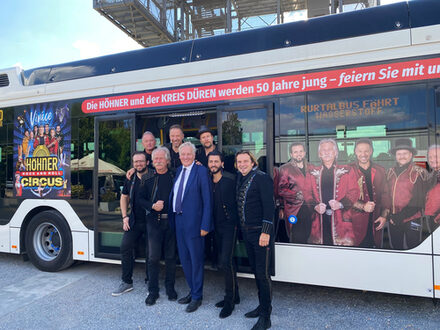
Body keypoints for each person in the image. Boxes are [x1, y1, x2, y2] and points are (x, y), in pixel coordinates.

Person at [169, 142, 212, 313]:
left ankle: (197, 296)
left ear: (194, 156)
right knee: (185, 260)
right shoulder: (179, 170)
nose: (185, 157)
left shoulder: (201, 171)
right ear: (179, 156)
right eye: (182, 154)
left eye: (188, 154)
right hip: (179, 222)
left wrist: (205, 224)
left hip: (195, 224)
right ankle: (192, 290)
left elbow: (208, 200)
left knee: (196, 260)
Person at [235, 150, 274, 330]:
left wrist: (265, 232)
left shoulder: (261, 178)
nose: (242, 164)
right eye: (239, 162)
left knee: (262, 274)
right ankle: (262, 306)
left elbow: (269, 207)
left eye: (245, 161)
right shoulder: (240, 178)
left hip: (260, 234)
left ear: (252, 162)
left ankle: (266, 317)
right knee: (256, 272)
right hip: (248, 234)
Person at [140, 147, 177, 306]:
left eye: (161, 159)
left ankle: (170, 288)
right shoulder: (147, 177)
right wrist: (152, 206)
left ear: (167, 160)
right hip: (154, 222)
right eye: (156, 159)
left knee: (170, 257)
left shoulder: (175, 175)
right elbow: (139, 199)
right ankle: (153, 291)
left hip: (172, 222)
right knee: (153, 257)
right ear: (152, 161)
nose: (159, 161)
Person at [112, 151, 149, 296]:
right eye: (136, 162)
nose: (139, 164)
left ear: (147, 162)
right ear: (133, 164)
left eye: (141, 161)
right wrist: (124, 216)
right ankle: (127, 282)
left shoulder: (153, 176)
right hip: (133, 220)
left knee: (150, 252)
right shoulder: (131, 178)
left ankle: (150, 281)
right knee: (125, 247)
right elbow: (124, 197)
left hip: (150, 221)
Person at [207, 150, 240, 319]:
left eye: (216, 161)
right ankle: (236, 295)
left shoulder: (231, 179)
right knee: (226, 261)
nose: (213, 164)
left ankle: (229, 301)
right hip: (215, 226)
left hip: (229, 226)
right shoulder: (207, 179)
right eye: (210, 161)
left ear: (222, 164)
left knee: (225, 262)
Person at [309, 139, 359, 246]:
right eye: (323, 150)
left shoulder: (347, 170)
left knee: (343, 255)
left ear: (336, 152)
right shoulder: (312, 173)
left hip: (341, 219)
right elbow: (307, 193)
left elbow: (354, 191)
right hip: (319, 221)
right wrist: (315, 206)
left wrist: (341, 204)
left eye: (330, 149)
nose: (326, 152)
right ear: (319, 154)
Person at [386, 138, 427, 250]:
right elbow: (386, 195)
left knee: (413, 248)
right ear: (395, 155)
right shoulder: (390, 172)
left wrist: (401, 216)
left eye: (405, 153)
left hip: (412, 219)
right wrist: (390, 215)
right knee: (396, 248)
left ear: (411, 155)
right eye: (399, 154)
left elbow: (419, 200)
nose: (402, 156)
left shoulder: (418, 172)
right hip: (393, 219)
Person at [349, 139, 390, 247]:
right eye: (360, 151)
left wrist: (384, 216)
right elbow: (344, 197)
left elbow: (386, 195)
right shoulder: (348, 170)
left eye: (366, 151)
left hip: (376, 221)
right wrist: (363, 206)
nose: (363, 154)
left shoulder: (380, 170)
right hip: (355, 223)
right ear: (355, 152)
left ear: (371, 151)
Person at [275, 143, 315, 243]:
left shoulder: (312, 167)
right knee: (298, 238)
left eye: (301, 151)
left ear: (305, 153)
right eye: (295, 152)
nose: (299, 154)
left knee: (311, 238)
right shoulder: (285, 169)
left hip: (311, 208)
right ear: (291, 154)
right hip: (295, 209)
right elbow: (281, 189)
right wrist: (295, 195)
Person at [196, 125, 218, 269]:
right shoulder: (198, 155)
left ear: (212, 138)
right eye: (203, 137)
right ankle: (205, 258)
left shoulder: (220, 153)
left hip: (217, 194)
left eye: (208, 136)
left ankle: (216, 259)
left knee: (216, 228)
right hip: (202, 196)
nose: (206, 139)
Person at [425, 145, 440, 230]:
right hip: (430, 216)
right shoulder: (432, 174)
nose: (432, 159)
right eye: (430, 157)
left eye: (436, 156)